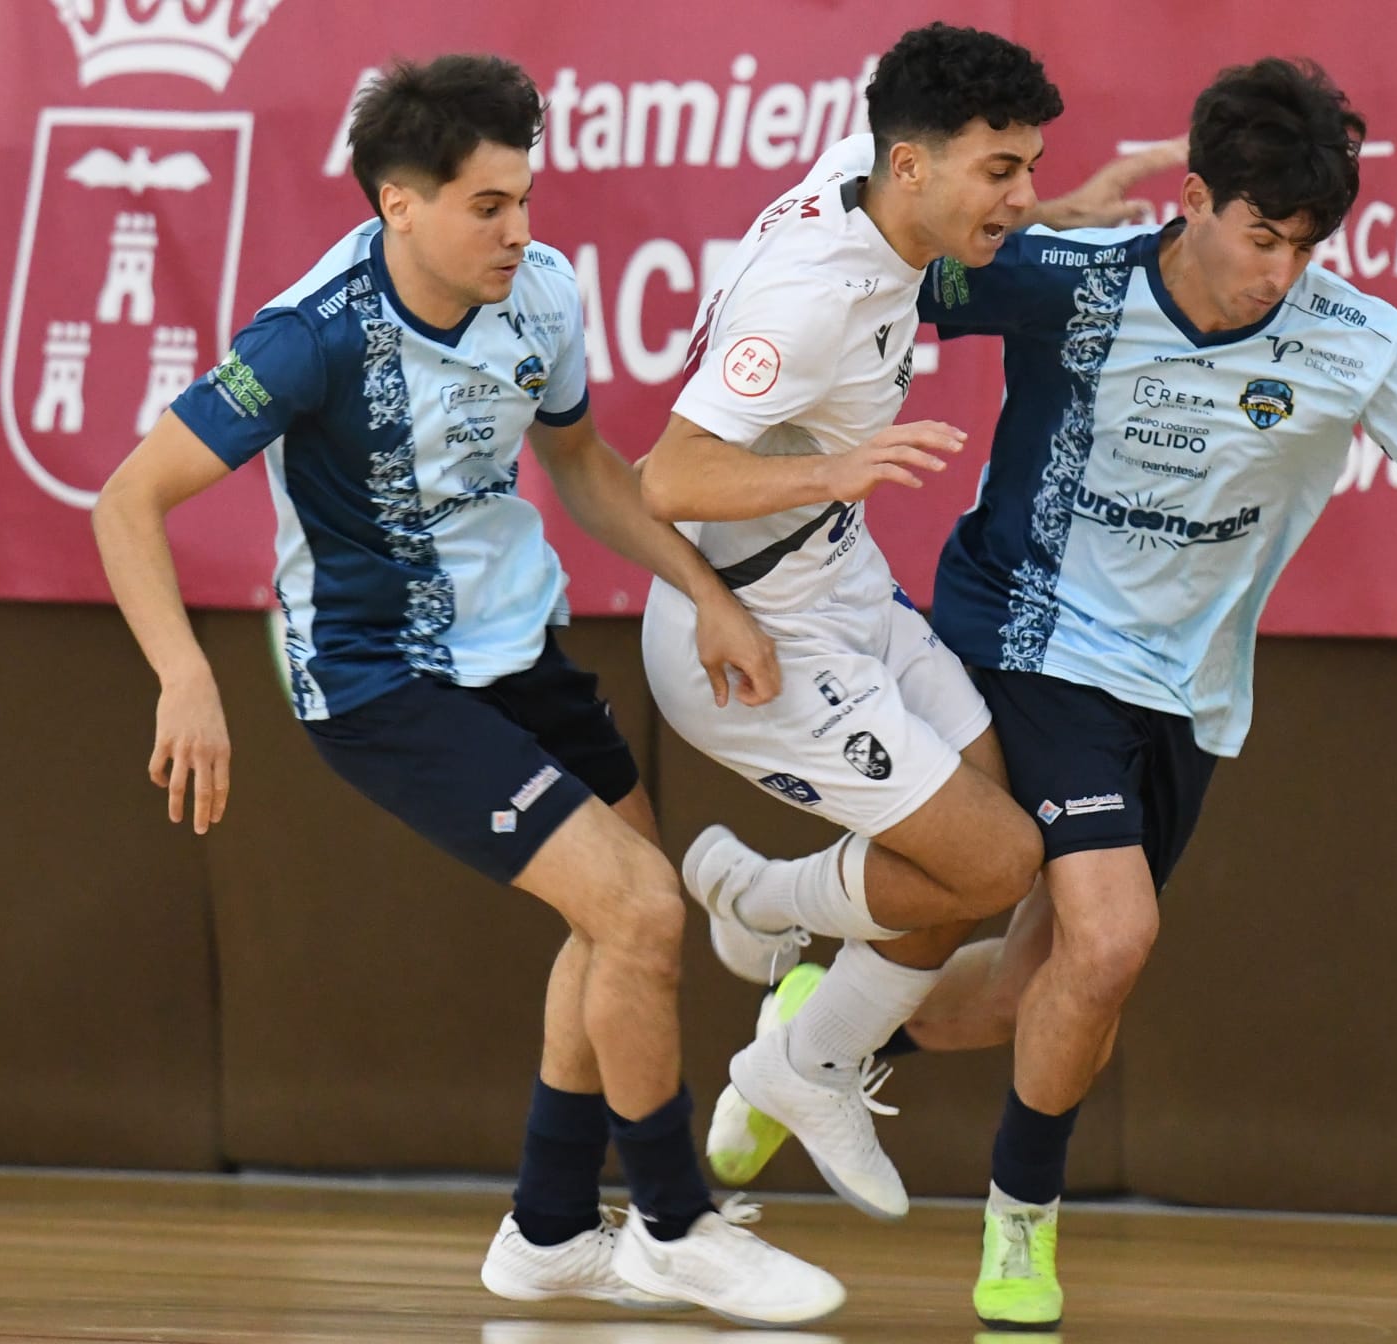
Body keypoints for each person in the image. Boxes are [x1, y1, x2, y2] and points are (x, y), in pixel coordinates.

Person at [710, 56, 1397, 1331]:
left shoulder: (1354, 340)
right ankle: (1020, 1229)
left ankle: (816, 1035)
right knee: (1117, 935)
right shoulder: (1065, 287)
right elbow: (898, 255)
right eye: (1260, 236)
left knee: (1041, 990)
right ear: (1191, 198)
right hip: (1029, 637)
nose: (1279, 270)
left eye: (1304, 245)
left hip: (1189, 693)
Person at [89, 53, 842, 1327]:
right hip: (382, 682)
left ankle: (549, 1232)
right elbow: (128, 501)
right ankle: (673, 1224)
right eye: (488, 205)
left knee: (620, 923)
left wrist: (706, 591)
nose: (519, 230)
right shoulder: (308, 336)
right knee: (644, 914)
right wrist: (183, 677)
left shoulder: (540, 296)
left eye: (526, 198)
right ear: (399, 207)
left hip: (519, 647)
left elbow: (589, 468)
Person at [635, 23, 1173, 1226]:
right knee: (988, 861)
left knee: (983, 819)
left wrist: (1070, 211)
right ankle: (764, 907)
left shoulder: (878, 178)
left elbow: (968, 191)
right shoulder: (809, 303)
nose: (1021, 192)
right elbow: (663, 478)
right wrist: (833, 475)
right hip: (754, 643)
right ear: (914, 167)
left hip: (844, 591)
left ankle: (802, 1047)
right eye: (1003, 172)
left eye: (1029, 164)